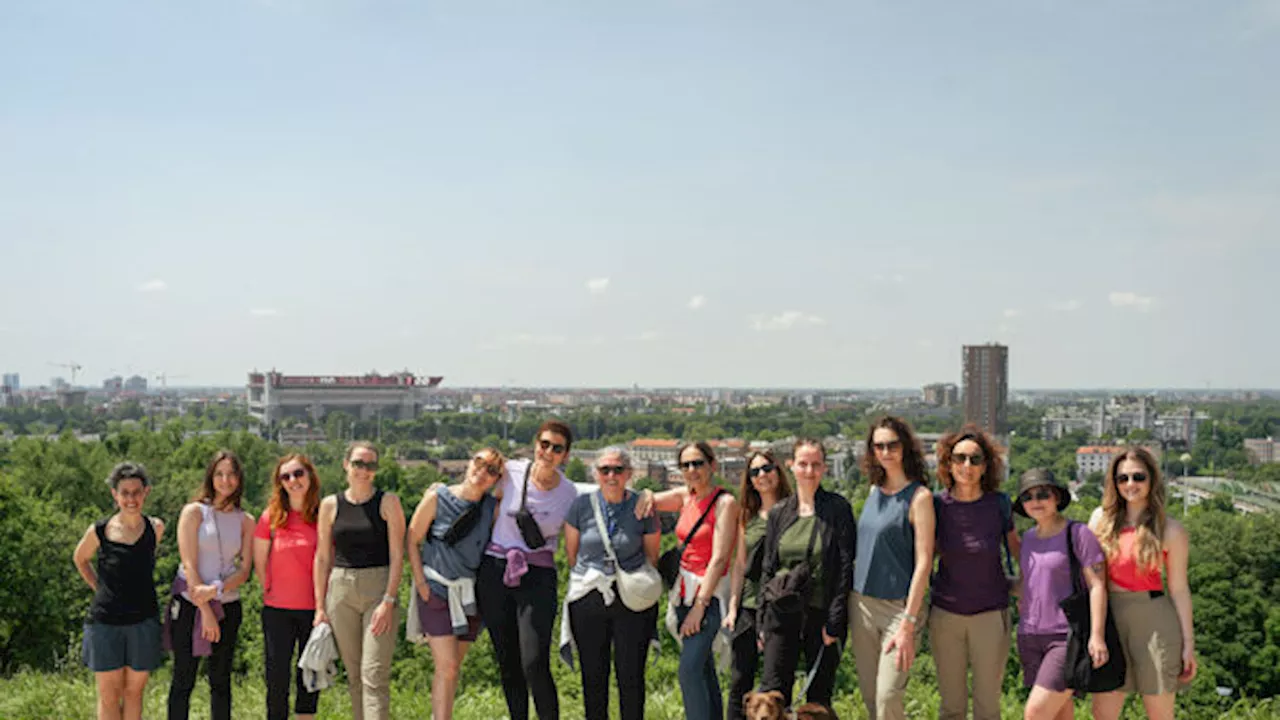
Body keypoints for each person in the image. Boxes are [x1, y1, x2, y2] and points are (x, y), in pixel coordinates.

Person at [477, 420, 579, 720]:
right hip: (495, 571)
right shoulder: (512, 472)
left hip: (537, 576)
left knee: (534, 661)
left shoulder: (569, 494)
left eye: (556, 448)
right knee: (507, 662)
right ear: (535, 444)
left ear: (565, 456)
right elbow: (477, 481)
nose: (548, 452)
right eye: (544, 444)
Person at [1089, 447, 1197, 720]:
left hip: (1155, 621)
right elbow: (1090, 579)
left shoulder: (1170, 530)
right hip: (1109, 619)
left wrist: (1188, 643)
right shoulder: (1099, 520)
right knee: (1103, 713)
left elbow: (1179, 589)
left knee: (1159, 713)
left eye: (1138, 477)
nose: (1130, 484)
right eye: (1122, 478)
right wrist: (1093, 631)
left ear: (1152, 480)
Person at [638, 441, 740, 720]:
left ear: (712, 465)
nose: (692, 470)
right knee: (704, 668)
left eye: (698, 463)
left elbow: (719, 559)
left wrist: (700, 606)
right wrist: (645, 492)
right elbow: (648, 498)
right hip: (683, 591)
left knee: (689, 670)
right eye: (686, 465)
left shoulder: (724, 502)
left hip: (709, 595)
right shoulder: (687, 497)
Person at [560, 447, 661, 720]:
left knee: (631, 676)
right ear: (596, 474)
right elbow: (572, 555)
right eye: (605, 470)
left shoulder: (642, 506)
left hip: (631, 597)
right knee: (593, 676)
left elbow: (652, 556)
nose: (611, 475)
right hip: (589, 596)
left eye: (618, 469)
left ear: (629, 473)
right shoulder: (581, 506)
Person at [757, 438, 855, 711]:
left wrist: (835, 620)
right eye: (803, 464)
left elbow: (845, 566)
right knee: (773, 696)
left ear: (824, 468)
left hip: (821, 614)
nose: (809, 471)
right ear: (791, 466)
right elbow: (769, 567)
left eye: (815, 465)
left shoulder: (837, 509)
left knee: (817, 700)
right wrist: (762, 621)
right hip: (781, 611)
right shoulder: (780, 512)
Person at [406, 448, 503, 720]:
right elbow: (412, 539)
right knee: (447, 667)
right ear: (469, 463)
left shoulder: (490, 508)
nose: (482, 472)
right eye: (479, 463)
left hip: (470, 598)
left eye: (492, 470)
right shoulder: (437, 497)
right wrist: (421, 584)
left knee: (451, 669)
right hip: (436, 591)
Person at [930, 425, 1019, 720]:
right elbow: (924, 557)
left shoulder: (999, 504)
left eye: (975, 459)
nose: (967, 466)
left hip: (990, 616)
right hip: (946, 616)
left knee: (987, 706)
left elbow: (1021, 554)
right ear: (948, 463)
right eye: (959, 458)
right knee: (951, 707)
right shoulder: (936, 505)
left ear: (986, 465)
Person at [313, 441, 406, 720]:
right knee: (354, 676)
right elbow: (322, 558)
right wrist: (320, 606)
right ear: (346, 465)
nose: (363, 471)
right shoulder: (330, 505)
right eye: (358, 464)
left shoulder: (388, 502)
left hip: (379, 589)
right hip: (340, 591)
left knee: (374, 674)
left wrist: (389, 600)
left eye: (370, 465)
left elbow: (398, 555)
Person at [850, 416, 935, 720]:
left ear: (905, 447)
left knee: (888, 696)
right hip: (861, 605)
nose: (885, 451)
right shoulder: (874, 490)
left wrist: (909, 623)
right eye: (878, 446)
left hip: (899, 610)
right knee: (871, 698)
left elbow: (924, 562)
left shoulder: (919, 497)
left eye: (892, 444)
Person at [73, 462, 166, 720]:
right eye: (125, 493)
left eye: (136, 492)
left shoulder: (156, 528)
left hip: (144, 621)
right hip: (105, 622)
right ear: (115, 495)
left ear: (146, 492)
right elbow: (80, 559)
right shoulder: (99, 531)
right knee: (109, 694)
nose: (131, 499)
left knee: (134, 693)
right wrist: (99, 588)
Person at [1014, 468, 1108, 720]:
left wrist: (1097, 636)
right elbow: (1027, 583)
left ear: (1056, 497)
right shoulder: (1028, 538)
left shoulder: (1078, 534)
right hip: (1030, 636)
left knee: (1035, 713)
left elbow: (1098, 586)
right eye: (1028, 497)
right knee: (1060, 714)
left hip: (1064, 637)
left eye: (1042, 494)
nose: (1036, 502)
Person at [167, 450, 254, 720]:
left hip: (228, 605)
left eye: (231, 474)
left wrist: (215, 591)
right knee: (184, 677)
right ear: (210, 476)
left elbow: (245, 570)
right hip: (190, 603)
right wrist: (205, 610)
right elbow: (189, 564)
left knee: (220, 680)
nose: (225, 480)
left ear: (239, 479)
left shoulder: (246, 520)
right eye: (219, 474)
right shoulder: (194, 512)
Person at [725, 449, 792, 720]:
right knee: (740, 679)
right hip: (750, 604)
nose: (762, 475)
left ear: (778, 471)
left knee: (776, 681)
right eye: (755, 472)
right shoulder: (746, 516)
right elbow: (739, 565)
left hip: (780, 606)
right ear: (749, 480)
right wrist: (733, 607)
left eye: (767, 468)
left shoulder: (794, 510)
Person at [254, 453, 322, 720]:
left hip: (314, 610)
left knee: (309, 675)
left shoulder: (323, 514)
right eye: (286, 476)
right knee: (277, 676)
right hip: (277, 610)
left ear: (310, 476)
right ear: (280, 483)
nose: (293, 480)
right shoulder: (270, 517)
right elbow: (260, 560)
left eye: (298, 474)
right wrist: (268, 587)